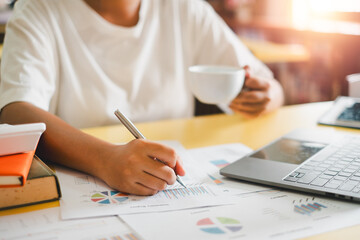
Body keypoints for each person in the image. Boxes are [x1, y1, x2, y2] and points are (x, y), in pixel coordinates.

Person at [0, 0, 284, 195]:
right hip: (85, 178)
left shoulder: (184, 8)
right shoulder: (40, 10)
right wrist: (105, 159)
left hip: (177, 170)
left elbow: (271, 87)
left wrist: (266, 94)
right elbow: (15, 112)